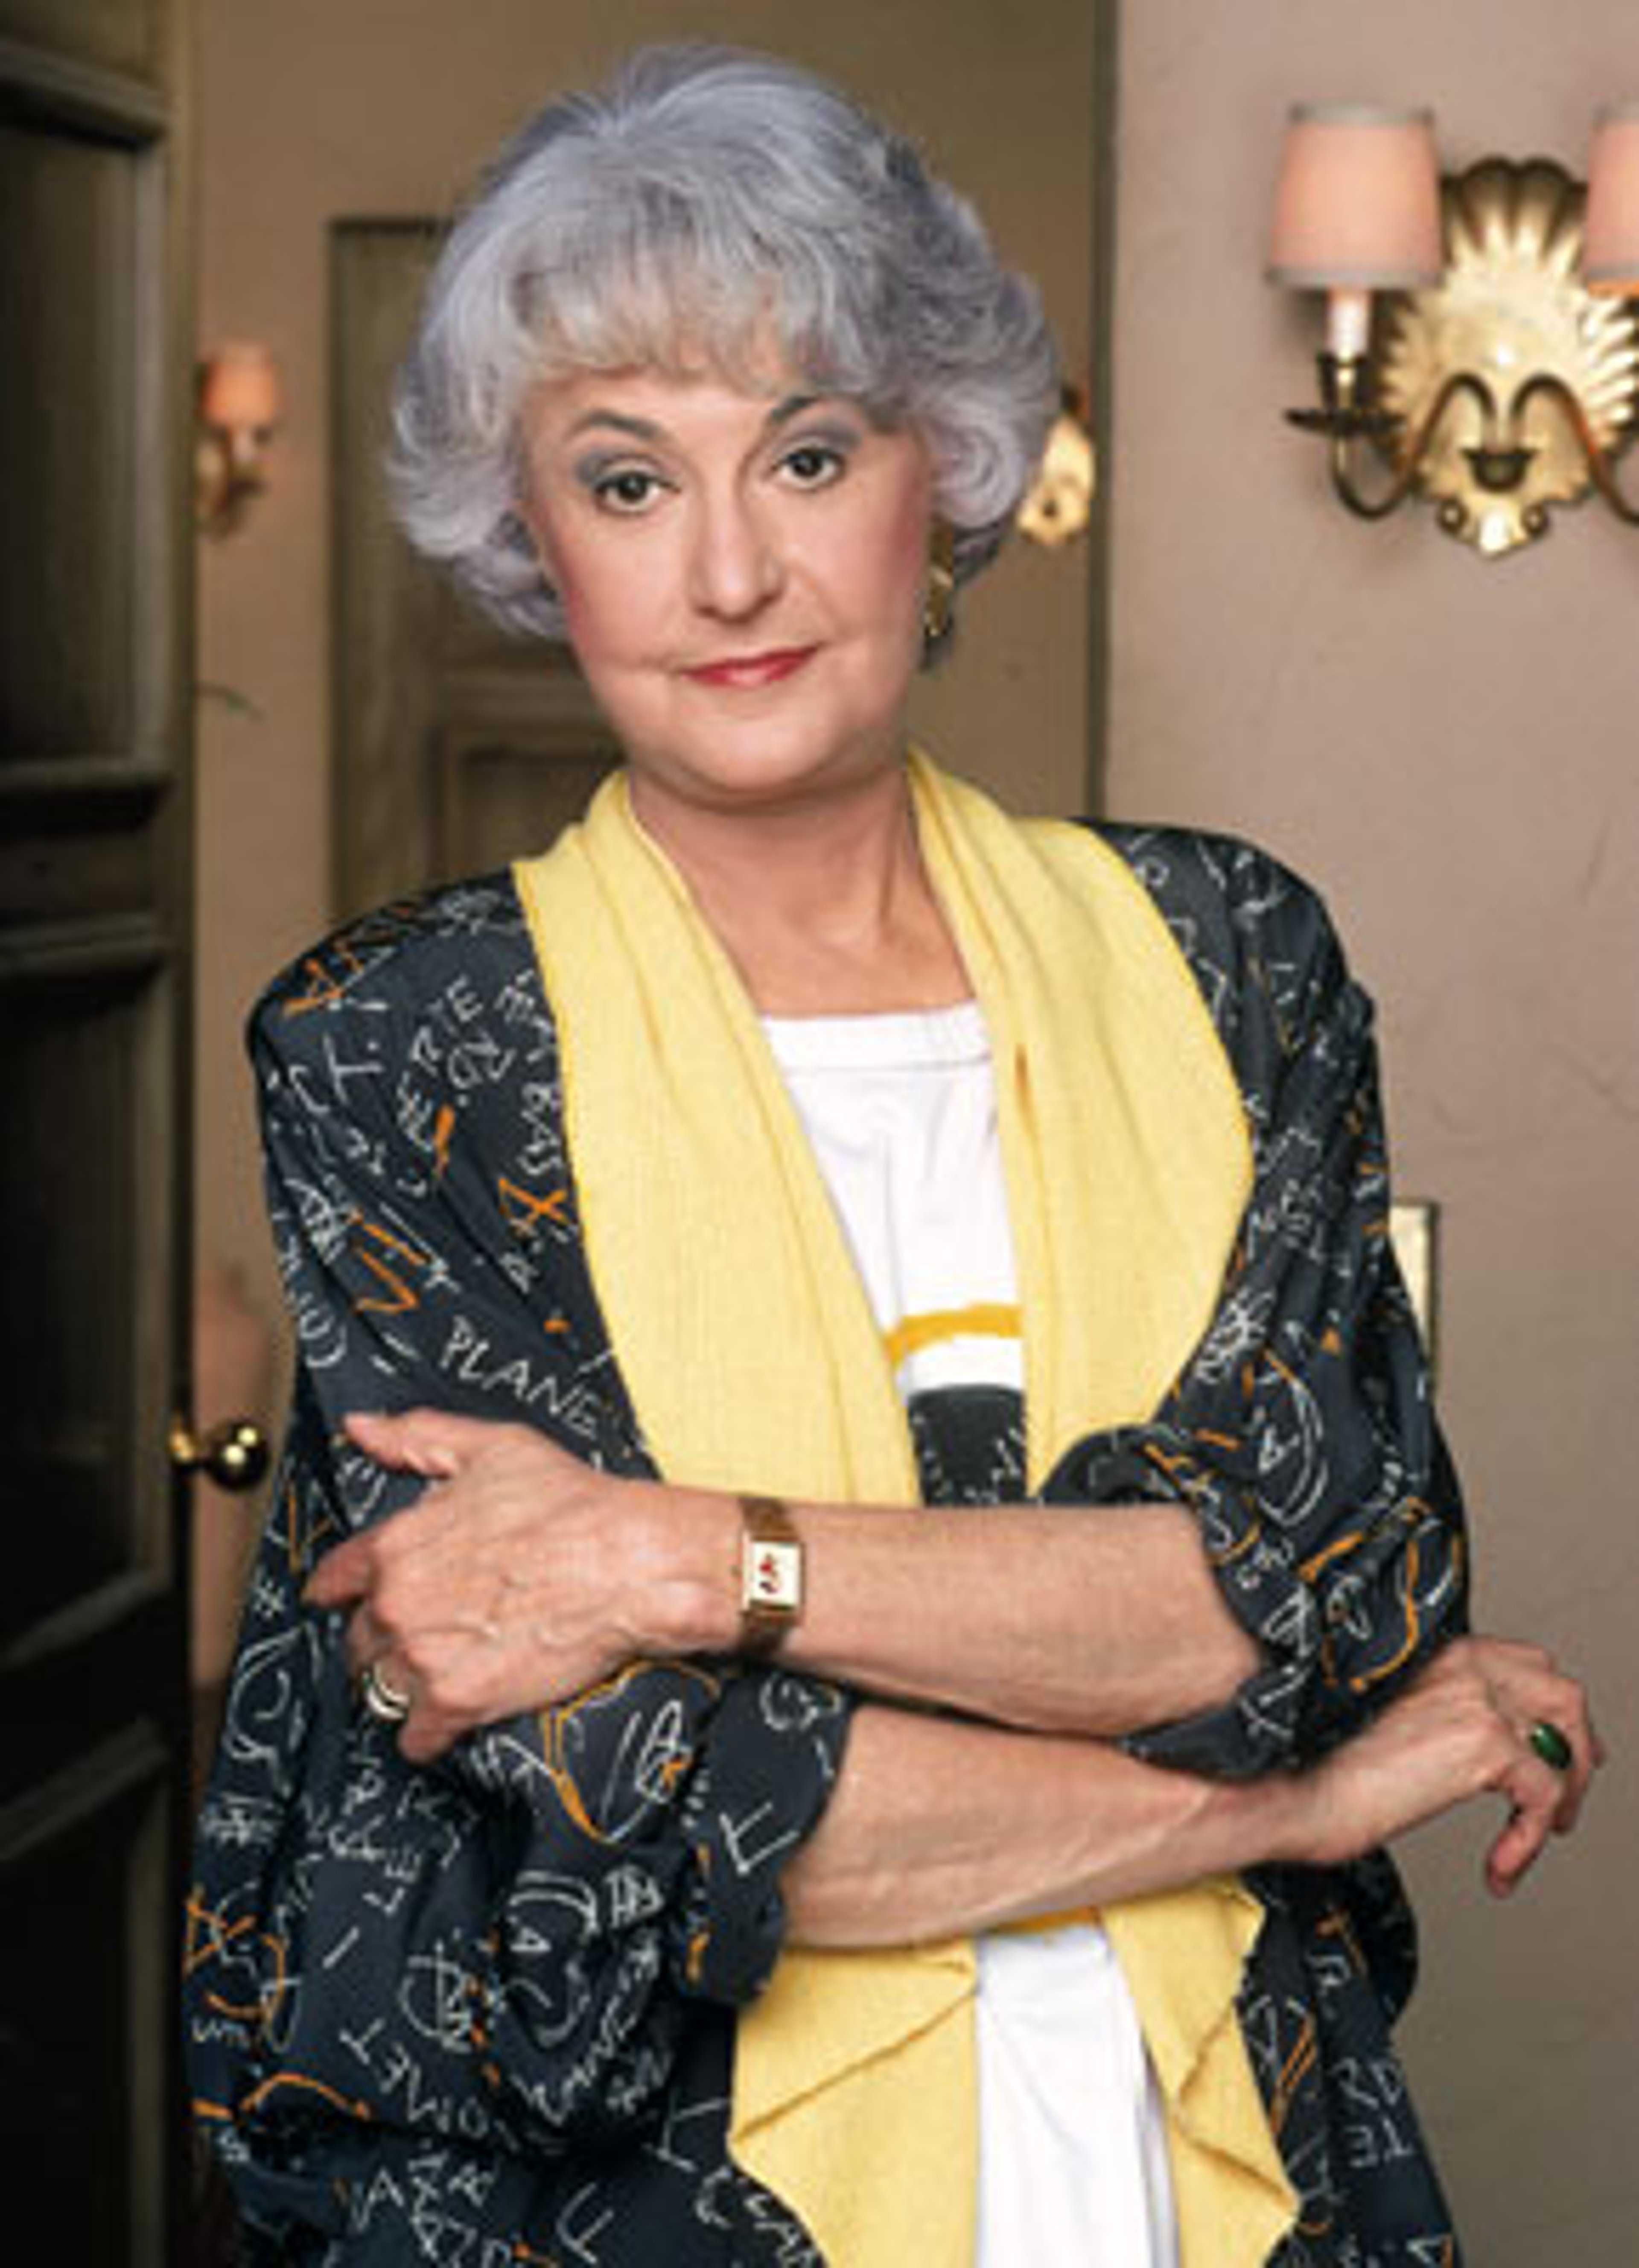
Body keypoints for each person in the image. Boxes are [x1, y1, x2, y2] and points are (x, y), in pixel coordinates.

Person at [184, 45, 1599, 2268]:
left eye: (807, 451)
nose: (730, 565)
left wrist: (672, 1559)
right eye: (627, 479)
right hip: (678, 2200)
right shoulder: (412, 1045)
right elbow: (691, 1819)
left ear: (941, 465)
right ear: (530, 535)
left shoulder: (1229, 956)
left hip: (1205, 2159)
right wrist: (1310, 1795)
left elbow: (1298, 1588)